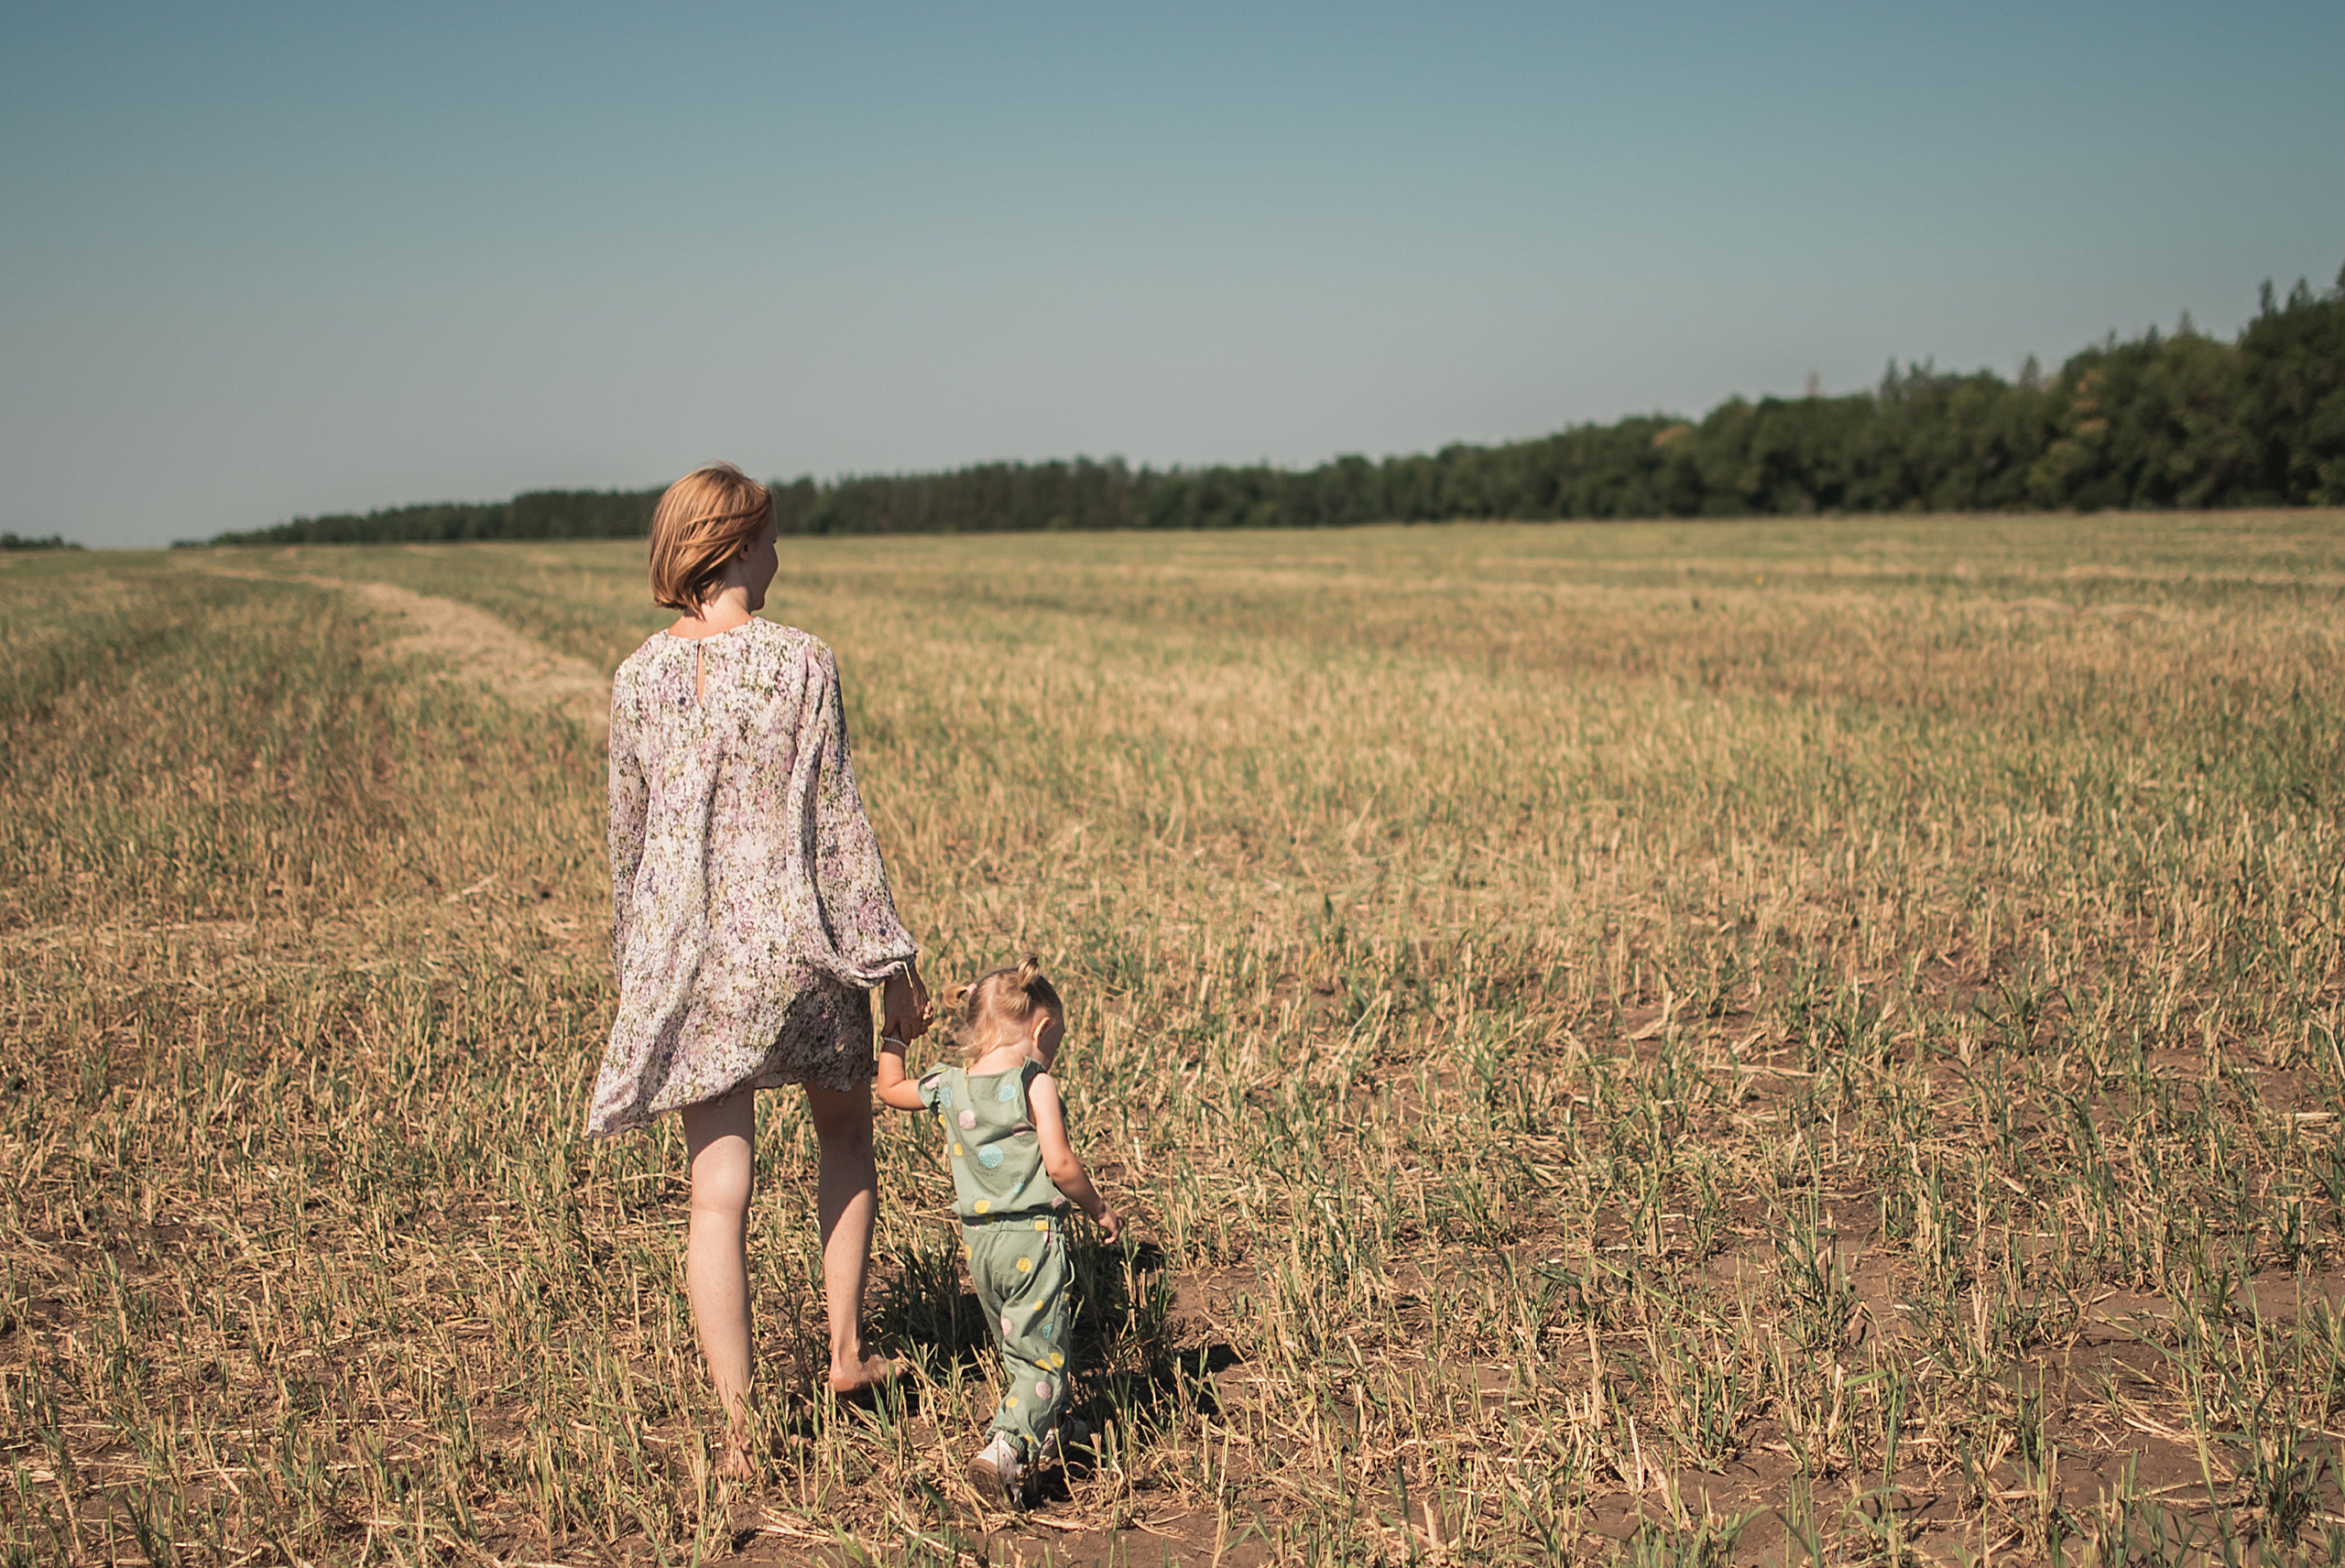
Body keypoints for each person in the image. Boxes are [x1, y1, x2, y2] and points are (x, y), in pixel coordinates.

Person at [583, 462, 932, 1479]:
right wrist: (891, 959)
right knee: (845, 1133)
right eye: (772, 538)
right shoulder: (804, 662)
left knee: (717, 1187)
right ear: (736, 546)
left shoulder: (636, 676)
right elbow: (837, 829)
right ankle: (844, 1351)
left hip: (689, 959)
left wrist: (639, 965)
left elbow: (628, 837)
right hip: (794, 948)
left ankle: (740, 1431)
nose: (780, 555)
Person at [874, 955, 1120, 1509]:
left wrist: (893, 1034)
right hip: (1033, 1238)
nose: (1052, 1054)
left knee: (1020, 1346)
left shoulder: (948, 1083)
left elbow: (888, 1089)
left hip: (980, 1245)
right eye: (1053, 1041)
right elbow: (1059, 1164)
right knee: (1044, 1360)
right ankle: (1005, 1448)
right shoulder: (1035, 1082)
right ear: (1038, 1028)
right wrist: (1099, 1210)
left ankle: (1052, 1428)